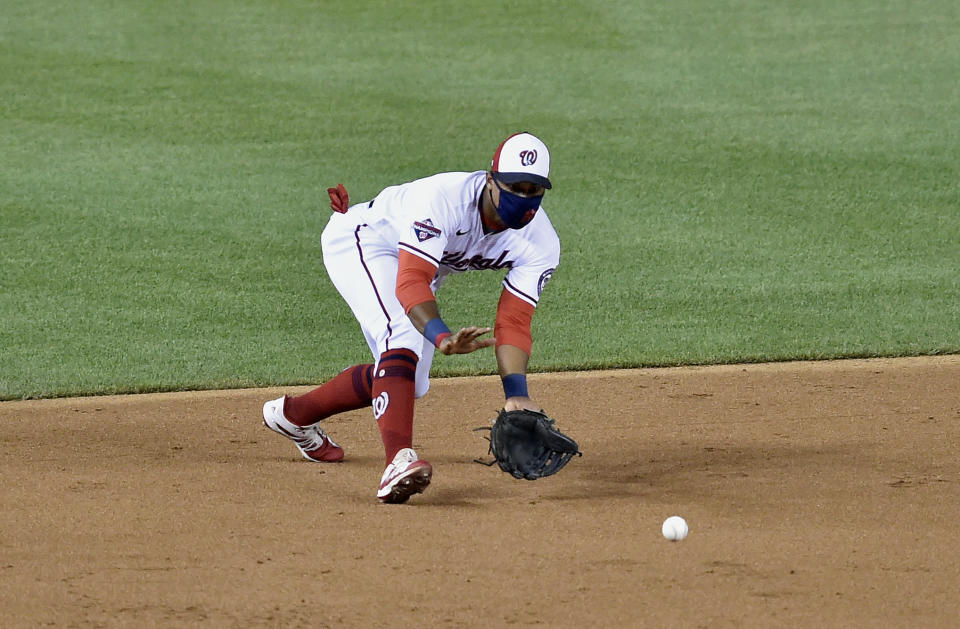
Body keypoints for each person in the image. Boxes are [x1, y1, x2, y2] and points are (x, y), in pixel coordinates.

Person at [262, 132, 560, 504]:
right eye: (514, 186)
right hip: (363, 242)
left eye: (534, 190)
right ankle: (397, 462)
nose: (524, 198)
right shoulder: (444, 200)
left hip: (417, 270)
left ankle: (294, 415)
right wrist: (441, 336)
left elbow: (514, 322)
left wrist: (517, 395)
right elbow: (411, 281)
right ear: (490, 179)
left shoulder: (540, 242)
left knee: (409, 382)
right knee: (402, 334)